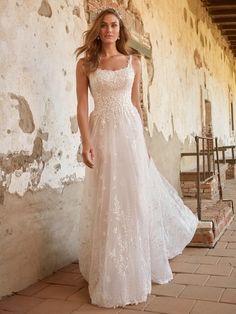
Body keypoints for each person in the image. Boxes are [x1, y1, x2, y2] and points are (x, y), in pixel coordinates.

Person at [75, 7, 199, 309]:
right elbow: (81, 106)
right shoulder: (86, 64)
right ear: (97, 29)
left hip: (129, 135)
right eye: (103, 25)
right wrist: (86, 141)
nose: (108, 30)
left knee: (132, 197)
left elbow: (135, 105)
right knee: (108, 198)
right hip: (102, 134)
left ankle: (135, 265)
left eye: (114, 25)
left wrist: (142, 143)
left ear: (121, 30)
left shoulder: (134, 61)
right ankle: (109, 267)